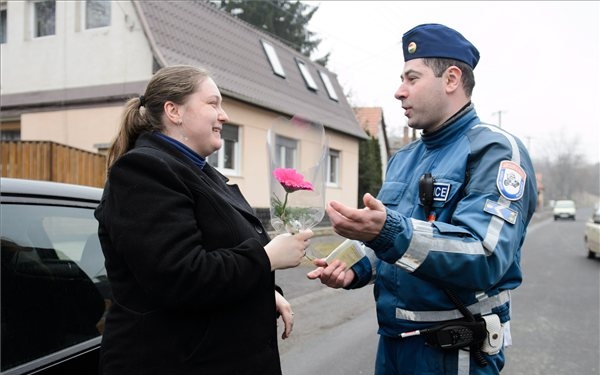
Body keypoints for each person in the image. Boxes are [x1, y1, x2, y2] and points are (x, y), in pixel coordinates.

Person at [308, 23, 538, 375]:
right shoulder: (403, 158)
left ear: (451, 79)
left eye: (411, 79)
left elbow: (485, 255)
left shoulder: (494, 150)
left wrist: (387, 232)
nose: (399, 92)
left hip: (454, 354)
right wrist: (353, 266)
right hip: (394, 346)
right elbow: (390, 245)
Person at [95, 65, 313, 375]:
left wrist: (264, 294)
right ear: (174, 111)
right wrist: (266, 258)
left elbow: (221, 253)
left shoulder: (200, 174)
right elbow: (181, 277)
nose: (223, 115)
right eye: (213, 103)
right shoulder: (144, 171)